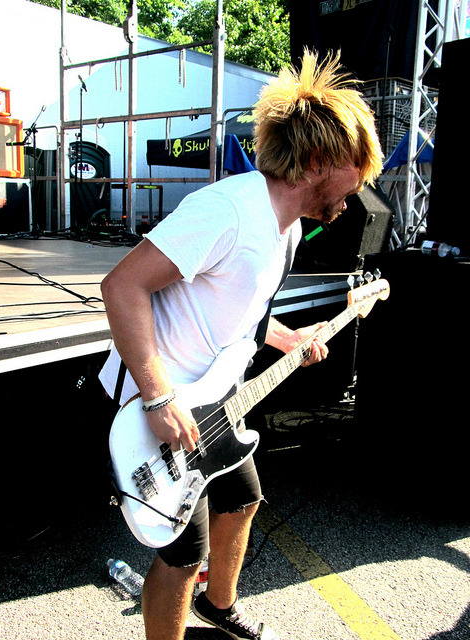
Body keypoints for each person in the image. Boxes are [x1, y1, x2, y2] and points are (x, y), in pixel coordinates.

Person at [99, 49, 383, 640]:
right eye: (355, 170)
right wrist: (158, 397)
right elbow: (122, 286)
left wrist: (288, 338)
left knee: (244, 499)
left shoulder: (289, 230)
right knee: (183, 556)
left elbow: (242, 313)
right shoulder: (227, 209)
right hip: (161, 410)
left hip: (217, 403)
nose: (358, 189)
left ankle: (219, 607)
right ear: (316, 162)